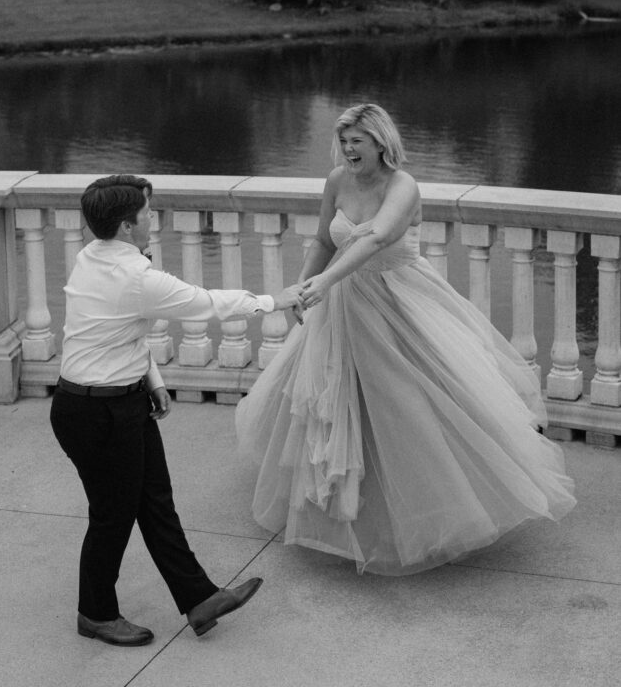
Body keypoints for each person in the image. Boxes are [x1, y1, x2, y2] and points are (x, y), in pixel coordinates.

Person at [236, 103, 576, 575]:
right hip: (340, 304)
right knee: (334, 402)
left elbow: (374, 237)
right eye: (344, 140)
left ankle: (429, 513)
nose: (348, 149)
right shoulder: (336, 180)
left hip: (398, 300)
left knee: (405, 405)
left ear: (380, 142)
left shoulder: (403, 185)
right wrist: (300, 289)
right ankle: (344, 511)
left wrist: (326, 283)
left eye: (357, 140)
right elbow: (323, 241)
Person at [50, 174, 301, 646]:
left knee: (155, 503)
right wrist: (273, 300)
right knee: (113, 514)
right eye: (147, 213)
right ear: (127, 226)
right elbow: (203, 304)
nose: (153, 220)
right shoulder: (133, 276)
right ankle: (95, 613)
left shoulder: (92, 256)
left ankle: (199, 598)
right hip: (95, 414)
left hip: (118, 402)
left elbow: (120, 329)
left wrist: (153, 380)